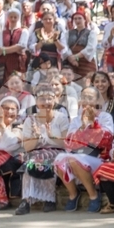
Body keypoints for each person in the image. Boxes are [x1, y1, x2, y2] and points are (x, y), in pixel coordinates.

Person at [53, 86, 114, 213]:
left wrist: (93, 124)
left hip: (98, 157)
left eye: (90, 97)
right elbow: (70, 143)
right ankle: (73, 194)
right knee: (59, 159)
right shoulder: (76, 120)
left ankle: (93, 195)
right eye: (84, 97)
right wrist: (82, 127)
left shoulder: (105, 117)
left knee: (74, 159)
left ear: (98, 100)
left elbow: (105, 140)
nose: (86, 100)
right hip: (79, 154)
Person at [15, 85, 70, 215]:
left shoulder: (61, 118)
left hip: (57, 151)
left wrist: (50, 136)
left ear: (55, 100)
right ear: (36, 101)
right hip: (36, 152)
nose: (46, 103)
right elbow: (28, 147)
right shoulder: (31, 120)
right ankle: (26, 200)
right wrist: (37, 136)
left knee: (45, 160)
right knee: (30, 162)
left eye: (49, 99)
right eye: (42, 99)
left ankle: (49, 199)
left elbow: (65, 144)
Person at [63, 9, 98, 83]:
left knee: (87, 82)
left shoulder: (91, 33)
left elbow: (91, 47)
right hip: (71, 62)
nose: (77, 20)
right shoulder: (68, 33)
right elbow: (64, 46)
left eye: (79, 18)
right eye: (75, 19)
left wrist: (75, 57)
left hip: (85, 61)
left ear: (84, 20)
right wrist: (71, 58)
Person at [0, 8, 29, 82]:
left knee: (19, 82)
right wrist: (13, 49)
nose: (13, 19)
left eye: (15, 17)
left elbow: (21, 46)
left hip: (18, 62)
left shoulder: (24, 31)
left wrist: (4, 50)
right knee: (4, 85)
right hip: (4, 63)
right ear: (8, 18)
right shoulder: (3, 32)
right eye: (11, 17)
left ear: (18, 18)